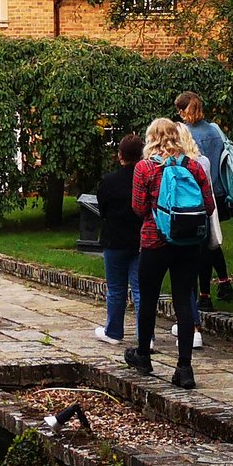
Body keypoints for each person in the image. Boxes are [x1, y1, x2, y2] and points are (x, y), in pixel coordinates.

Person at [128, 118, 217, 388]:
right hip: (188, 245)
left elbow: (138, 208)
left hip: (154, 242)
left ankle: (143, 355)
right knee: (183, 300)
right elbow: (210, 207)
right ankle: (184, 367)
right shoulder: (193, 166)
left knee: (148, 298)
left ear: (151, 138)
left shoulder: (145, 168)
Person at [176, 92, 233, 303]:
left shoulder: (186, 134)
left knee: (201, 246)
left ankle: (204, 295)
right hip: (217, 192)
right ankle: (224, 282)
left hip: (197, 194)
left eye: (179, 110)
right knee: (213, 240)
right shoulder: (214, 130)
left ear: (184, 111)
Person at [92, 132, 144, 346]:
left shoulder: (109, 181)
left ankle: (114, 331)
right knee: (141, 289)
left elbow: (101, 209)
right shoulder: (144, 179)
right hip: (140, 239)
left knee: (115, 289)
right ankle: (145, 336)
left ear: (120, 155)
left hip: (115, 239)